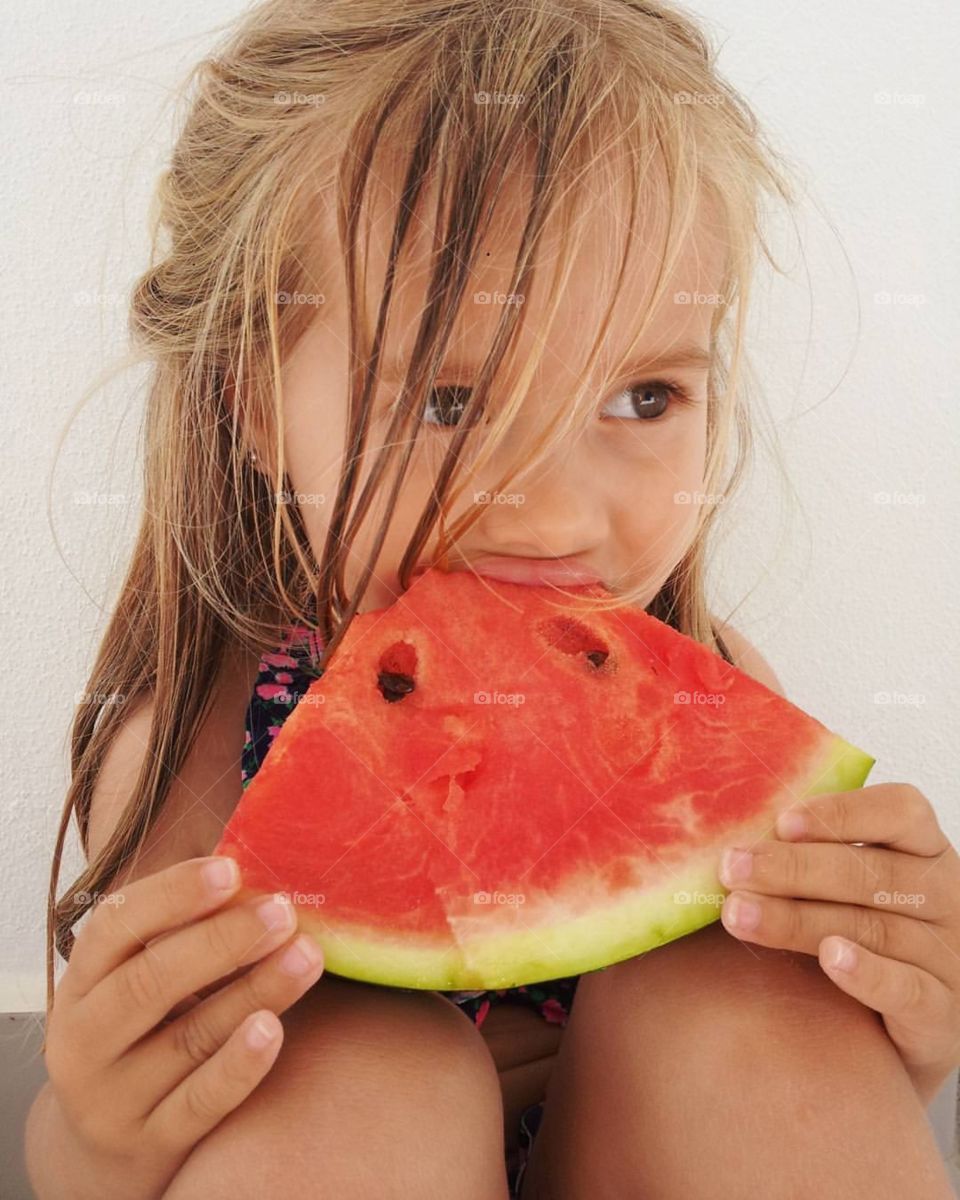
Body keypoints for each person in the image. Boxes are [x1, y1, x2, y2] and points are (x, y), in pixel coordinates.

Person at [27, 1, 959, 1197]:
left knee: (750, 1009)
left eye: (644, 398)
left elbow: (805, 1115)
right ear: (254, 402)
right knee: (361, 1080)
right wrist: (100, 1141)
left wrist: (903, 1012)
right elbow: (91, 1154)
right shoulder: (198, 761)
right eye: (452, 405)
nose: (556, 516)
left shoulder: (715, 692)